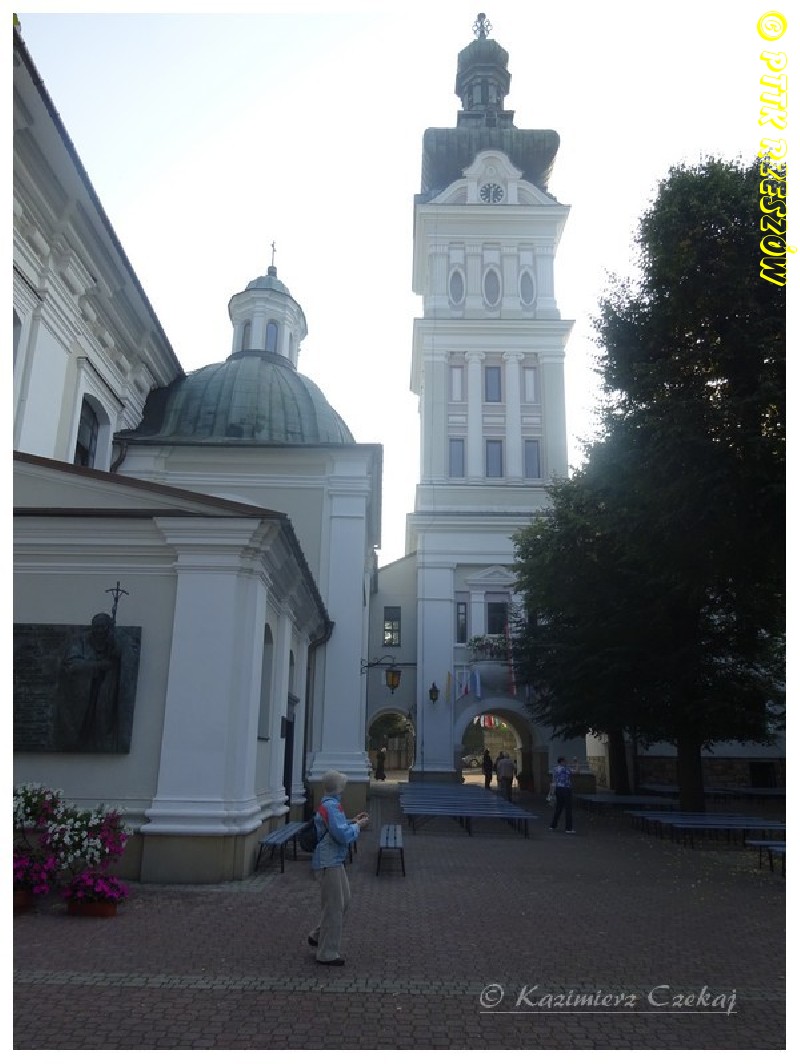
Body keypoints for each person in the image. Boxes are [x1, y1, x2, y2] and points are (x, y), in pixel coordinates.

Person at [307, 771, 368, 966]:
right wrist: (358, 826)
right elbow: (341, 835)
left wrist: (352, 821)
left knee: (343, 900)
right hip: (328, 862)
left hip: (334, 860)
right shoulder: (331, 806)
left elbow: (336, 827)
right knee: (334, 907)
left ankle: (318, 935)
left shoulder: (329, 805)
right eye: (342, 786)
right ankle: (327, 953)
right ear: (338, 788)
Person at [549, 756, 575, 833]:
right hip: (566, 789)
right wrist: (576, 763)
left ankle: (553, 825)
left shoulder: (555, 769)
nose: (566, 762)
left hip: (558, 789)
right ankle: (568, 828)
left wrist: (552, 791)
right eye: (565, 761)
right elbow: (577, 771)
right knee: (568, 809)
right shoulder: (567, 769)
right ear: (562, 762)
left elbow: (553, 780)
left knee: (558, 808)